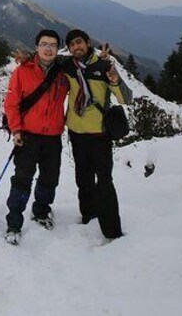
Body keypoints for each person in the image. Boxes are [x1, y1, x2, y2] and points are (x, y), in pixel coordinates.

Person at [61, 29, 132, 240]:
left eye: (79, 42)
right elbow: (45, 58)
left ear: (87, 42)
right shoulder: (68, 66)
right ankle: (88, 217)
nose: (76, 47)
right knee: (83, 179)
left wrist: (115, 80)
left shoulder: (103, 66)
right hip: (76, 133)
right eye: (72, 45)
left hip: (99, 135)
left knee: (104, 181)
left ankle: (111, 230)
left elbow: (125, 98)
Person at [3, 29, 69, 245]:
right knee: (22, 179)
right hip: (28, 136)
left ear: (58, 48)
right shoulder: (23, 71)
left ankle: (41, 211)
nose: (48, 48)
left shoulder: (64, 72)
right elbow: (11, 104)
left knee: (49, 179)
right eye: (44, 44)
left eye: (52, 44)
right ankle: (14, 223)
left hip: (53, 136)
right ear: (37, 47)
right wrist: (16, 130)